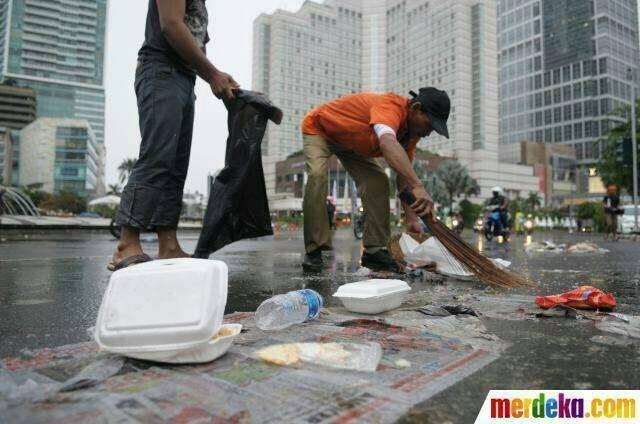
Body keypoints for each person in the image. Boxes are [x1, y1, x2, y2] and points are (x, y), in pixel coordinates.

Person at [109, 0, 240, 271]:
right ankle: (126, 244)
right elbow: (171, 25)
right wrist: (212, 74)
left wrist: (225, 84)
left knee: (176, 165)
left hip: (184, 78)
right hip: (159, 70)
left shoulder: (202, 6)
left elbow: (197, 47)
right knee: (157, 155)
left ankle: (168, 245)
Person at [301, 87, 451, 272]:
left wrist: (412, 219)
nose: (428, 133)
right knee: (317, 175)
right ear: (416, 108)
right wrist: (418, 185)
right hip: (321, 130)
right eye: (429, 125)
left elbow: (403, 180)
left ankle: (374, 252)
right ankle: (316, 249)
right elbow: (387, 141)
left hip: (351, 144)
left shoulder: (409, 136)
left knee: (378, 181)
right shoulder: (391, 106)